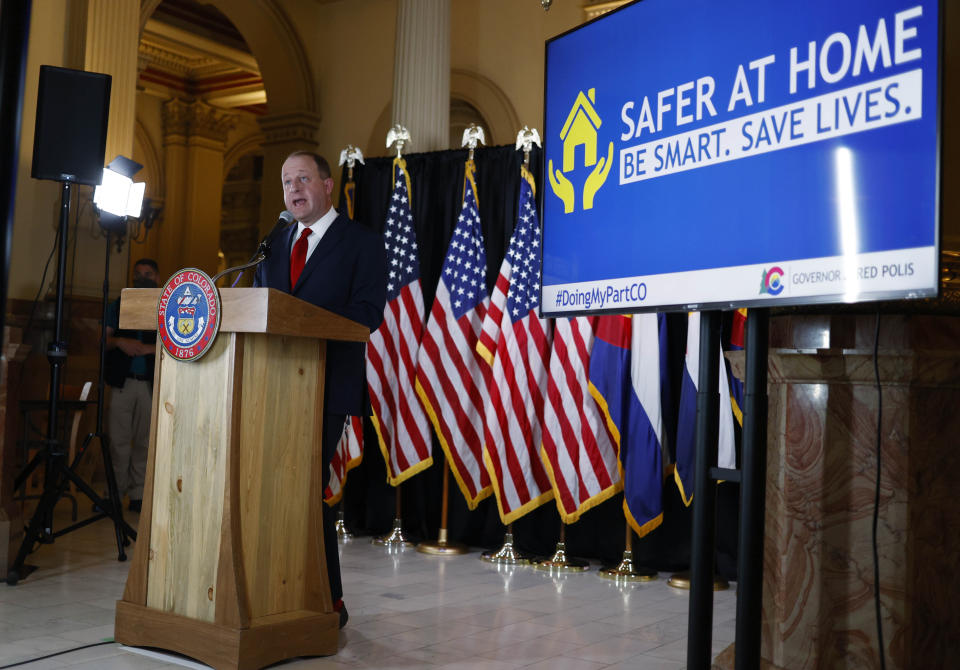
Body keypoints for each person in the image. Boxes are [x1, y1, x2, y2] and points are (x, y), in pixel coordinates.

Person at [253, 151, 387, 629]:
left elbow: (370, 313)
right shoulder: (273, 241)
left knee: (304, 489)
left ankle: (327, 600)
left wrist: (306, 325)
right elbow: (257, 304)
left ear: (328, 186)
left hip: (326, 386)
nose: (294, 188)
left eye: (304, 178)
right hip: (268, 385)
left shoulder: (361, 243)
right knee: (270, 489)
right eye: (287, 180)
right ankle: (278, 592)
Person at [104, 258, 160, 513]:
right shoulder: (118, 304)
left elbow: (176, 340)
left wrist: (150, 348)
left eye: (148, 274)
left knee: (145, 442)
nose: (142, 278)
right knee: (118, 441)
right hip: (122, 382)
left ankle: (138, 495)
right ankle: (114, 493)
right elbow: (102, 340)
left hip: (150, 383)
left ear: (157, 278)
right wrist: (119, 342)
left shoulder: (165, 305)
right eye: (138, 274)